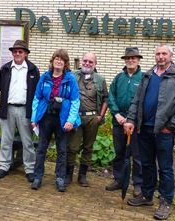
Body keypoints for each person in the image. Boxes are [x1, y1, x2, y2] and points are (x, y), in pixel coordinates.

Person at [124, 44, 175, 220]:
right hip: (144, 128)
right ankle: (147, 196)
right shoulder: (148, 75)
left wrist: (171, 126)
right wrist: (131, 120)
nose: (160, 56)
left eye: (164, 54)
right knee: (146, 163)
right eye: (158, 54)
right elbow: (136, 101)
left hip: (164, 132)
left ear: (170, 56)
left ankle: (166, 201)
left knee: (165, 167)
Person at [30, 49, 81, 192]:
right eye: (56, 59)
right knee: (41, 149)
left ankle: (60, 178)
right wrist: (34, 117)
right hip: (46, 116)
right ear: (52, 61)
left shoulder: (70, 78)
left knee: (62, 150)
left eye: (62, 60)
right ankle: (37, 177)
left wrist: (70, 120)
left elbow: (75, 101)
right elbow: (37, 98)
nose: (58, 61)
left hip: (62, 118)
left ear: (65, 63)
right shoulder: (45, 77)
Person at [0, 40, 40, 182]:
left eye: (20, 51)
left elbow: (37, 93)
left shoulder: (33, 69)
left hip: (24, 110)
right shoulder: (5, 68)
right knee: (6, 140)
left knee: (27, 142)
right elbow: (1, 88)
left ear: (26, 53)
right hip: (7, 108)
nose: (17, 54)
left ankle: (30, 169)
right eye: (15, 51)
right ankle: (4, 166)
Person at [66, 52, 108, 187]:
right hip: (76, 117)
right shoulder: (72, 76)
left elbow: (106, 99)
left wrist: (100, 116)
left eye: (90, 62)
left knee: (88, 147)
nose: (87, 64)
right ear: (82, 61)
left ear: (95, 64)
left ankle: (82, 175)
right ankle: (68, 174)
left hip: (92, 118)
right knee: (72, 147)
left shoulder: (100, 80)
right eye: (85, 61)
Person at [106, 47, 143, 197]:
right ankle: (119, 179)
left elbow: (143, 101)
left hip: (135, 125)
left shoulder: (144, 78)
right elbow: (111, 97)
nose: (130, 60)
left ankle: (138, 184)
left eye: (133, 58)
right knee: (119, 152)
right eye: (128, 58)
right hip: (118, 122)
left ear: (138, 59)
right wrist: (116, 114)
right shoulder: (118, 78)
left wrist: (132, 119)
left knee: (137, 155)